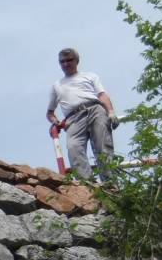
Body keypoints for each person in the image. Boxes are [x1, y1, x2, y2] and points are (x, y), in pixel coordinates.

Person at [46, 48, 119, 180]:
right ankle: (87, 186)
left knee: (103, 147)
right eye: (62, 61)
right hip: (73, 118)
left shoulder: (90, 76)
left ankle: (110, 185)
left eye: (69, 60)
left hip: (95, 110)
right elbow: (50, 113)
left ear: (77, 61)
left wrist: (111, 112)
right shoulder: (57, 85)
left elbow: (102, 95)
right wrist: (55, 121)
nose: (65, 64)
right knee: (73, 148)